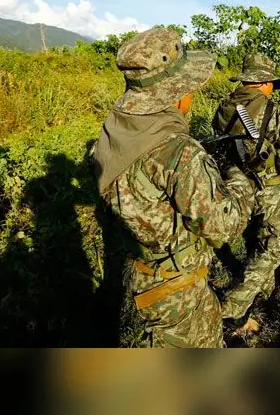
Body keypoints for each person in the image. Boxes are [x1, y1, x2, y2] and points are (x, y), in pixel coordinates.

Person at [91, 27, 257, 348]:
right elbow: (223, 228)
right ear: (177, 93)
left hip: (140, 274)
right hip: (176, 293)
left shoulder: (117, 129)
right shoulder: (179, 153)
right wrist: (240, 177)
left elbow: (146, 172)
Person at [210, 53, 280, 322]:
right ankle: (233, 305)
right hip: (269, 186)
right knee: (275, 246)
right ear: (265, 82)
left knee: (255, 238)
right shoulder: (272, 111)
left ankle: (264, 291)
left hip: (237, 184)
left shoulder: (225, 107)